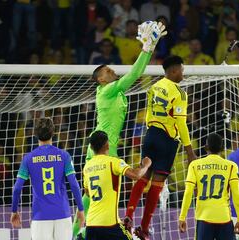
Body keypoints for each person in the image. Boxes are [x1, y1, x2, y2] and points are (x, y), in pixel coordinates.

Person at [73, 21, 167, 239]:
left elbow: (133, 76)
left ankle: (81, 235)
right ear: (100, 79)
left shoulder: (112, 92)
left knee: (95, 200)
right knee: (93, 202)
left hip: (106, 148)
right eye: (107, 70)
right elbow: (134, 75)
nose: (112, 70)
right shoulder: (106, 91)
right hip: (102, 150)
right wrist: (147, 49)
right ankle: (79, 234)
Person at [124, 55, 197, 240]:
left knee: (142, 177)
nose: (183, 73)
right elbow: (181, 124)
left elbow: (148, 113)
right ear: (173, 71)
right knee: (156, 185)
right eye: (182, 70)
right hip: (167, 139)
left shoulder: (153, 87)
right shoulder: (179, 93)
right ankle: (144, 228)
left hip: (150, 135)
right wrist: (190, 151)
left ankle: (128, 215)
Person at [10, 118, 85, 240]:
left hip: (40, 216)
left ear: (35, 134)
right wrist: (81, 209)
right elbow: (74, 184)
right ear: (53, 133)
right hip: (62, 214)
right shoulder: (64, 155)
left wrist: (14, 211)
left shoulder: (28, 158)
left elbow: (17, 188)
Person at [83, 130, 152, 239]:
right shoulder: (113, 162)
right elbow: (136, 175)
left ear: (91, 147)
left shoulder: (87, 167)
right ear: (107, 145)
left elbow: (87, 192)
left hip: (91, 224)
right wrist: (146, 165)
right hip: (109, 224)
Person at [179, 133, 239, 240]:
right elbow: (236, 195)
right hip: (224, 218)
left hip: (204, 218)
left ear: (205, 147)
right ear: (222, 148)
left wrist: (182, 217)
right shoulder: (232, 166)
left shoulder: (195, 165)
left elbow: (188, 192)